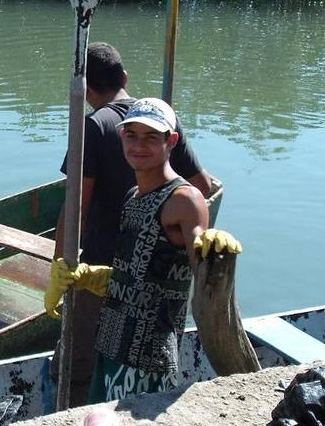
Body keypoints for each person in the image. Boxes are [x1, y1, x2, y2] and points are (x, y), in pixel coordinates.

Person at [50, 42, 215, 407]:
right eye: (132, 136)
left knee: (77, 377)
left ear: (169, 141)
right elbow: (207, 185)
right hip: (114, 327)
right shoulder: (133, 196)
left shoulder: (182, 200)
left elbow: (75, 205)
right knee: (99, 404)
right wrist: (96, 275)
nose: (139, 145)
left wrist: (212, 249)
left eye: (151, 138)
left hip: (146, 351)